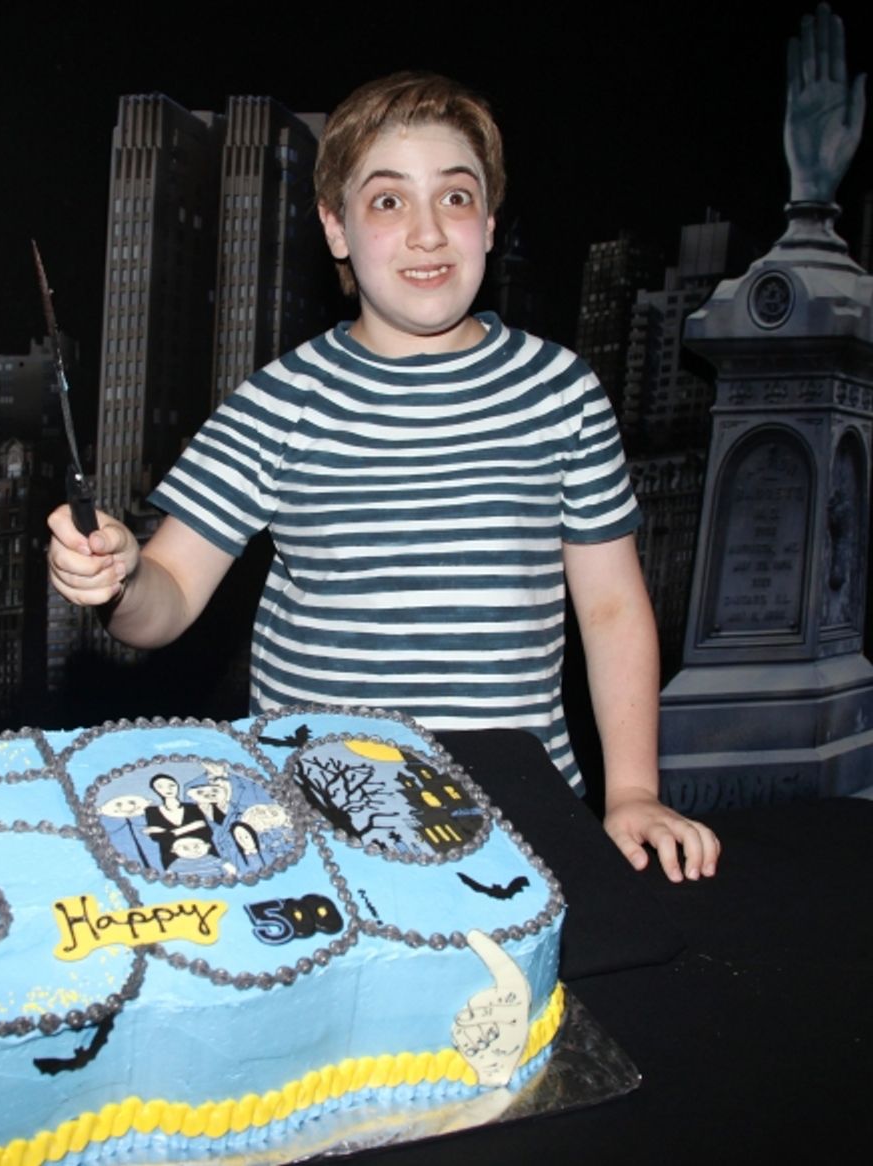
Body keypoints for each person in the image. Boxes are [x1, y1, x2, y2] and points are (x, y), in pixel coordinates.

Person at [49, 71, 721, 883]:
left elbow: (612, 608)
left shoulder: (561, 392)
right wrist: (118, 575)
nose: (428, 233)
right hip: (323, 821)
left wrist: (635, 792)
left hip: (521, 815)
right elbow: (167, 600)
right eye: (389, 201)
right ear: (336, 228)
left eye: (456, 197)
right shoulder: (278, 402)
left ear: (490, 222)